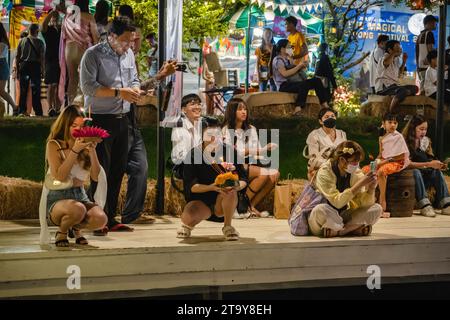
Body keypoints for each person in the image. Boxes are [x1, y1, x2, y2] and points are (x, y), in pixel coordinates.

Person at [80, 16, 142, 234]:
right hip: (99, 118)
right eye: (126, 41)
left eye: (132, 41)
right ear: (112, 36)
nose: (129, 46)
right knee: (100, 171)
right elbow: (88, 87)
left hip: (122, 118)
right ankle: (96, 217)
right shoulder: (92, 55)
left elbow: (134, 78)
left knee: (118, 169)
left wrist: (134, 90)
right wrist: (119, 92)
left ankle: (110, 216)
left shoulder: (129, 55)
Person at [40, 105, 108, 247]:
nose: (77, 129)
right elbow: (60, 177)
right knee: (78, 209)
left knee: (101, 219)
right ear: (66, 125)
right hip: (57, 198)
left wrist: (92, 151)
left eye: (81, 125)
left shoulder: (85, 144)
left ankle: (76, 228)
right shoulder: (54, 145)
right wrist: (75, 151)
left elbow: (95, 176)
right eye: (73, 125)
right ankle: (62, 231)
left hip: (80, 196)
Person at [178, 117, 248, 241]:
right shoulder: (193, 154)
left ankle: (228, 226)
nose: (214, 139)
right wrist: (212, 187)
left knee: (230, 191)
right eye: (209, 135)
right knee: (187, 218)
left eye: (217, 134)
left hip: (223, 203)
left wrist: (236, 185)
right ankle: (188, 225)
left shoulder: (230, 151)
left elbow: (243, 178)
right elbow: (191, 187)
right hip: (201, 201)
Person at [308, 141, 382, 238]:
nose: (356, 164)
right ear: (342, 160)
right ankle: (352, 229)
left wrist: (371, 189)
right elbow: (337, 202)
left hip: (344, 216)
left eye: (358, 161)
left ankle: (341, 231)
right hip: (327, 216)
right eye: (354, 161)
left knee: (377, 209)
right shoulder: (325, 172)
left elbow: (362, 203)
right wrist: (358, 185)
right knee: (320, 210)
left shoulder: (356, 172)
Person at [222, 98, 280, 218]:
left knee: (274, 174)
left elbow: (257, 152)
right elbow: (232, 154)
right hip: (233, 166)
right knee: (263, 174)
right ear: (232, 112)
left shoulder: (251, 129)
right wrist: (255, 150)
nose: (244, 112)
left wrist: (265, 154)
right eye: (240, 109)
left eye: (245, 109)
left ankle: (251, 206)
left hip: (250, 163)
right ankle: (240, 205)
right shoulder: (226, 130)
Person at [402, 115, 450, 216]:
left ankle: (446, 205)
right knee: (416, 172)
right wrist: (429, 164)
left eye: (426, 129)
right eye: (421, 129)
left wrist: (437, 165)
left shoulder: (425, 141)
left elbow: (429, 158)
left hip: (424, 174)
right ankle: (425, 206)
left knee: (436, 172)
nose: (424, 132)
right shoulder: (404, 142)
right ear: (412, 128)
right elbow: (407, 164)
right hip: (409, 177)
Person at [363, 113, 409, 217]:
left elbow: (402, 155)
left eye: (395, 123)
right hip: (384, 160)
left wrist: (386, 161)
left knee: (381, 171)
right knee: (365, 170)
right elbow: (381, 154)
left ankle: (382, 203)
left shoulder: (398, 136)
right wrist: (376, 161)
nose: (393, 125)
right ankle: (367, 201)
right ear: (383, 124)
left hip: (397, 162)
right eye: (390, 122)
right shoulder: (382, 138)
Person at [270, 39, 329, 116]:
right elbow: (284, 74)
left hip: (292, 83)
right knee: (304, 85)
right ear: (282, 49)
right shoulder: (278, 60)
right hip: (283, 86)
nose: (291, 48)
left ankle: (325, 105)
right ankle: (297, 109)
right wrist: (298, 66)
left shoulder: (287, 60)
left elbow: (293, 71)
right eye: (289, 47)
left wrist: (300, 66)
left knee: (317, 80)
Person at [60, 0, 99, 105]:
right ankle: (83, 105)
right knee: (84, 79)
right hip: (83, 49)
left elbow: (63, 35)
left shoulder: (67, 17)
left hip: (69, 49)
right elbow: (95, 37)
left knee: (72, 79)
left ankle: (70, 105)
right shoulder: (89, 17)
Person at [375, 40, 418, 112]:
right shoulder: (384, 58)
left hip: (394, 86)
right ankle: (391, 110)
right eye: (397, 48)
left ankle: (401, 95)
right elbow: (386, 62)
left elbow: (400, 74)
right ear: (389, 50)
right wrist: (394, 53)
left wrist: (404, 61)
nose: (400, 49)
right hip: (384, 87)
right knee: (402, 90)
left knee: (415, 88)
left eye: (400, 47)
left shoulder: (396, 59)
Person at [305, 108, 347, 181]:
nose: (330, 118)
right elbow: (313, 159)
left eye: (332, 116)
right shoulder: (314, 135)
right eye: (327, 117)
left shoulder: (342, 134)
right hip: (322, 168)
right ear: (321, 121)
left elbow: (346, 151)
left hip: (341, 167)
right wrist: (332, 164)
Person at [16, 23, 44, 116]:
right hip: (35, 67)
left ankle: (21, 111)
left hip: (24, 66)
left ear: (29, 31)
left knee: (23, 90)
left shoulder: (22, 41)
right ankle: (38, 112)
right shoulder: (40, 42)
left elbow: (17, 56)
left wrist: (17, 69)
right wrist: (43, 70)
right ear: (37, 31)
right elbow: (42, 58)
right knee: (36, 90)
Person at [171, 94, 203, 166]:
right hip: (183, 166)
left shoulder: (200, 124)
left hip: (197, 163)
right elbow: (180, 156)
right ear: (184, 110)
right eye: (193, 104)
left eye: (199, 104)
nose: (197, 107)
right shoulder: (180, 127)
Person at [42, 10, 62, 117]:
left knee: (59, 85)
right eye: (53, 17)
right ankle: (50, 108)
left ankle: (58, 108)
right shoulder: (47, 30)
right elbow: (44, 25)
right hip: (50, 60)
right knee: (51, 85)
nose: (55, 18)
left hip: (61, 60)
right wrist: (51, 13)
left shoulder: (61, 29)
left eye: (56, 16)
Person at [415, 15, 437, 93]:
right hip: (427, 66)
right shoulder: (429, 34)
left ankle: (421, 105)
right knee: (428, 90)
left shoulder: (420, 35)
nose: (435, 25)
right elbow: (430, 51)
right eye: (434, 23)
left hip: (420, 66)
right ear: (429, 23)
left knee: (423, 89)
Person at [0, 23, 18, 115]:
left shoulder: (2, 42)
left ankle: (15, 107)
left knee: (1, 91)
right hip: (2, 65)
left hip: (2, 66)